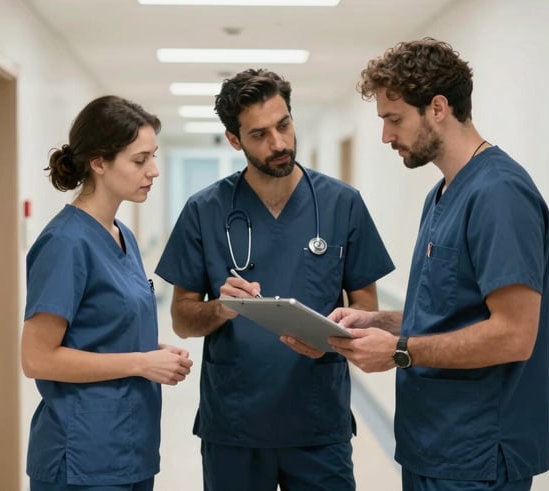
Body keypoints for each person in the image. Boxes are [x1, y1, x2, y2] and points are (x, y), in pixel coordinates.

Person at [285, 38, 549, 490]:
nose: (386, 136)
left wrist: (400, 351)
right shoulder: (443, 193)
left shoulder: (499, 195)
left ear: (438, 108)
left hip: (477, 456)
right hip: (432, 444)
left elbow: (513, 336)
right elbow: (449, 313)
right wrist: (378, 321)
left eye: (394, 119)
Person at [154, 68, 395, 491]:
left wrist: (340, 331)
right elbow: (181, 319)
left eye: (283, 125)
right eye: (260, 134)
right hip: (235, 425)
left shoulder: (342, 204)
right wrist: (221, 308)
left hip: (319, 421)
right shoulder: (204, 210)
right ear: (234, 140)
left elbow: (366, 309)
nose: (279, 143)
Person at [20, 95, 194, 491]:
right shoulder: (65, 243)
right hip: (82, 457)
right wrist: (140, 363)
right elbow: (36, 357)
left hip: (129, 448)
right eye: (139, 160)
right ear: (99, 162)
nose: (153, 171)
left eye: (154, 156)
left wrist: (153, 352)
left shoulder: (122, 236)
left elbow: (103, 331)